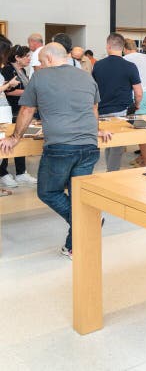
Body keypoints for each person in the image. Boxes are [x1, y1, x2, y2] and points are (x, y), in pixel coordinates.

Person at [0, 42, 112, 258]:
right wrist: (94, 130)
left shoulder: (41, 78)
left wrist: (15, 137)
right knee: (78, 196)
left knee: (48, 191)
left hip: (61, 146)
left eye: (41, 62)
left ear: (50, 59)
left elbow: (27, 110)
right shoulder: (86, 77)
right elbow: (93, 109)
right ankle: (74, 247)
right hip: (89, 146)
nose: (39, 66)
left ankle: (90, 219)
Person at [91, 33, 142, 171]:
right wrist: (136, 105)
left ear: (108, 46)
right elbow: (138, 92)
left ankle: (110, 171)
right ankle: (111, 172)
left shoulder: (98, 65)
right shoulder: (130, 66)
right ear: (123, 47)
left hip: (101, 110)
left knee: (107, 140)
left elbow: (93, 89)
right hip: (122, 110)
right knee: (116, 145)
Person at [123, 38, 146, 167]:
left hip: (141, 94)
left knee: (140, 129)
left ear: (124, 49)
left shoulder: (126, 59)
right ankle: (142, 158)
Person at [0, 42, 27, 189]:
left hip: (6, 109)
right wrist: (8, 85)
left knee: (9, 141)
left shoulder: (19, 70)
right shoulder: (8, 69)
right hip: (7, 109)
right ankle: (3, 174)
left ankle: (20, 172)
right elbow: (4, 90)